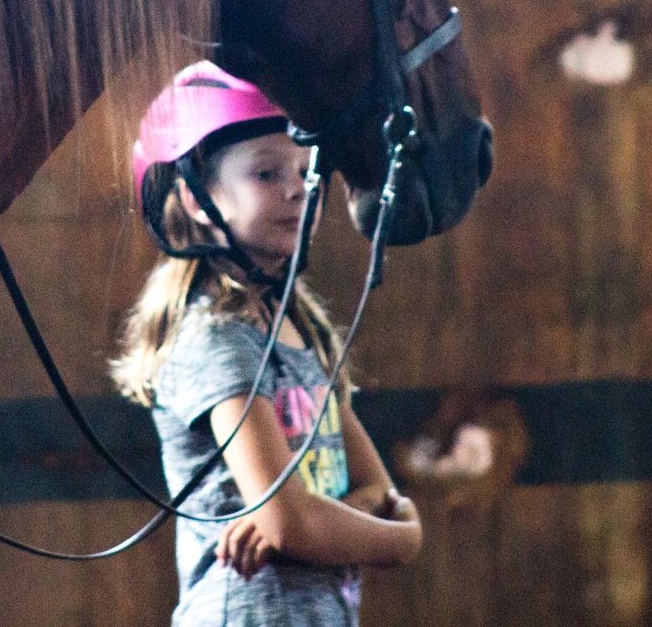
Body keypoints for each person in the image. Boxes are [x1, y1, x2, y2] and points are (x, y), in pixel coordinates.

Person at [111, 62, 422, 626]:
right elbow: (294, 523)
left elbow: (373, 487)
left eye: (307, 171)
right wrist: (398, 539)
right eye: (265, 173)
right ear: (198, 199)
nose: (297, 189)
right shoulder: (219, 342)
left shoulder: (300, 333)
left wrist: (312, 517)